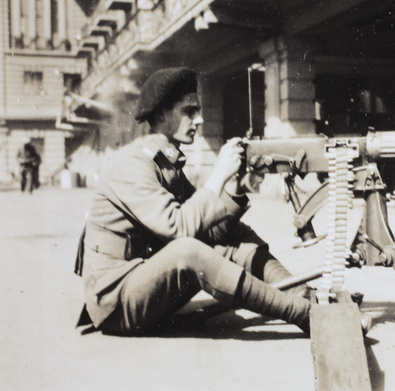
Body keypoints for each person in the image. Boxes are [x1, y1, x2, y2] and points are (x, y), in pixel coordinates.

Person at [75, 67, 369, 337]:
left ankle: (303, 294)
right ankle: (308, 315)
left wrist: (238, 188)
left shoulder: (166, 161)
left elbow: (209, 227)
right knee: (188, 251)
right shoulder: (131, 164)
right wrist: (218, 175)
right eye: (189, 111)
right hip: (117, 301)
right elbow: (179, 229)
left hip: (143, 282)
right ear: (163, 114)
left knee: (234, 236)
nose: (199, 119)